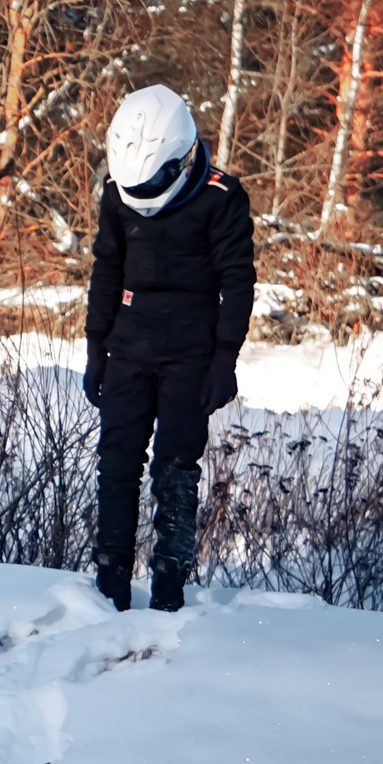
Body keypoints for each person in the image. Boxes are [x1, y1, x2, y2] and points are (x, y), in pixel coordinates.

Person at [82, 84, 257, 612]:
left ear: (180, 159)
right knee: (116, 464)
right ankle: (109, 581)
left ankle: (169, 590)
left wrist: (225, 359)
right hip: (128, 346)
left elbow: (239, 281)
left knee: (175, 469)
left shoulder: (222, 198)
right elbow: (107, 269)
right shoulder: (117, 195)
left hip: (191, 351)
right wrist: (96, 347)